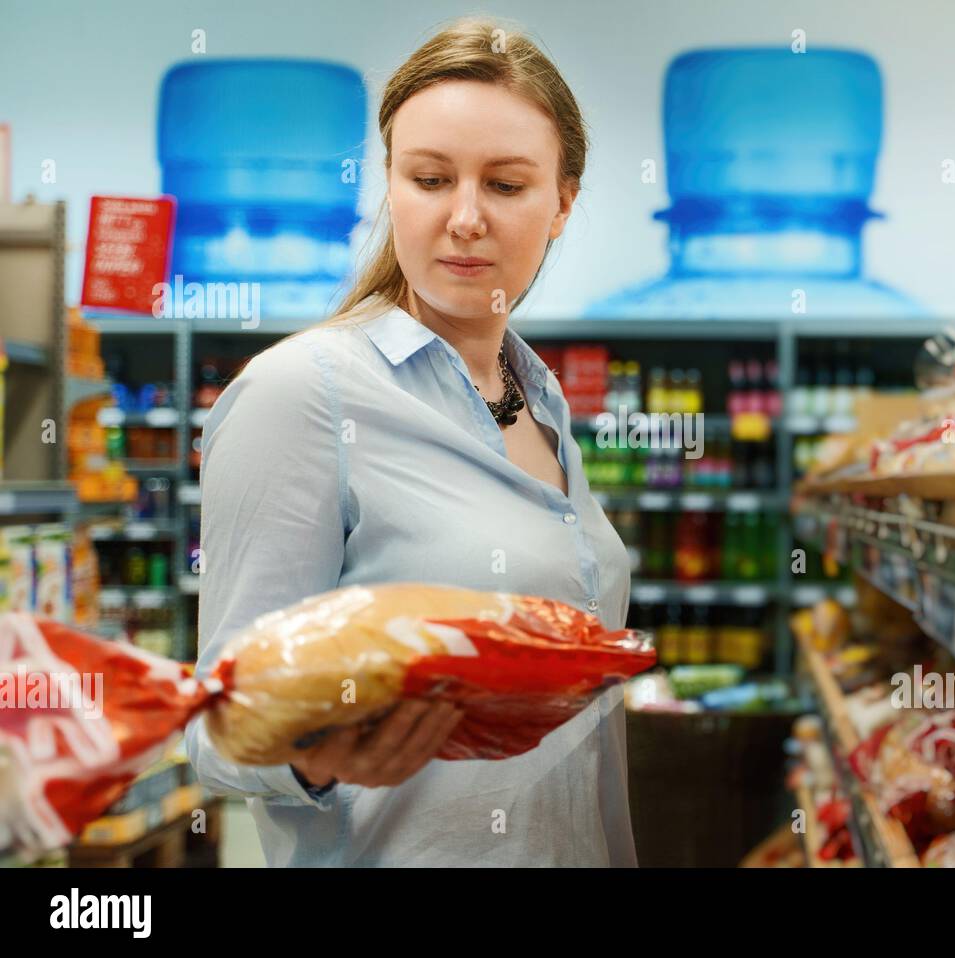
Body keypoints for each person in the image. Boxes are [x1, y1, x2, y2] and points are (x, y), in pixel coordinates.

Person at [184, 16, 636, 867]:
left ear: (563, 203)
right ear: (389, 186)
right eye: (430, 178)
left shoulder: (539, 401)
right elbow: (216, 724)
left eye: (505, 186)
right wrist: (314, 752)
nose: (464, 218)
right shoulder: (303, 396)